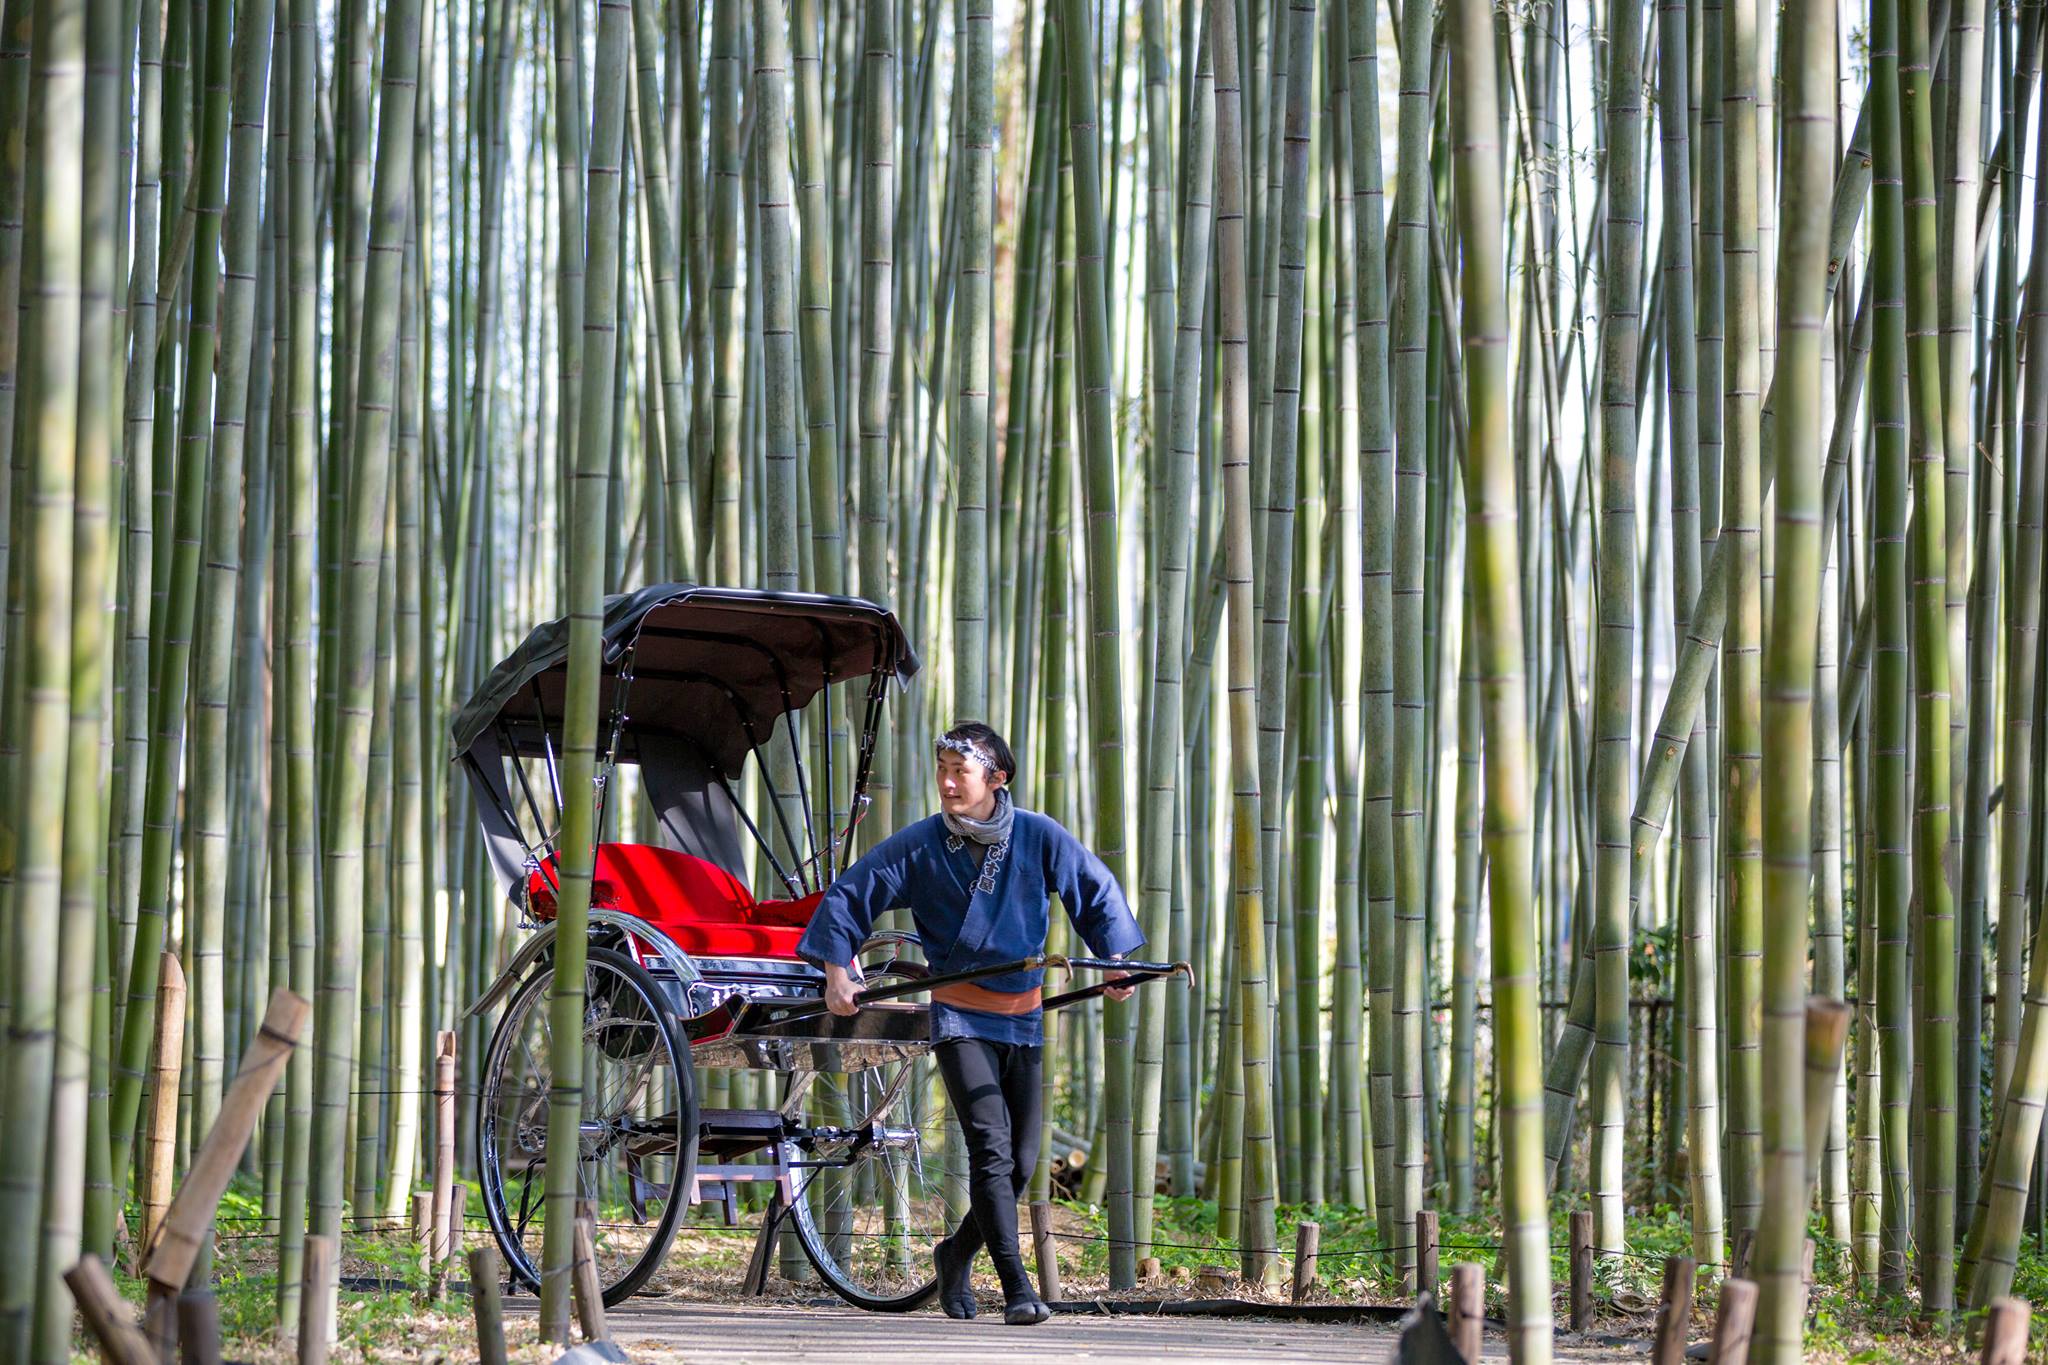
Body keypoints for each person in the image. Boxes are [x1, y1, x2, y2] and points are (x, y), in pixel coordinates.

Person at [795, 721, 1144, 1325]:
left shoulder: (1038, 835)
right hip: (957, 1016)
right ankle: (1015, 1288)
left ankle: (954, 1256)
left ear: (997, 778)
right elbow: (853, 894)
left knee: (1022, 1163)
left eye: (961, 771)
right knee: (991, 1151)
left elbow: (1093, 890)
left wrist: (1113, 962)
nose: (948, 783)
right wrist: (836, 972)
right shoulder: (921, 844)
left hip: (1025, 1015)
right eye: (943, 771)